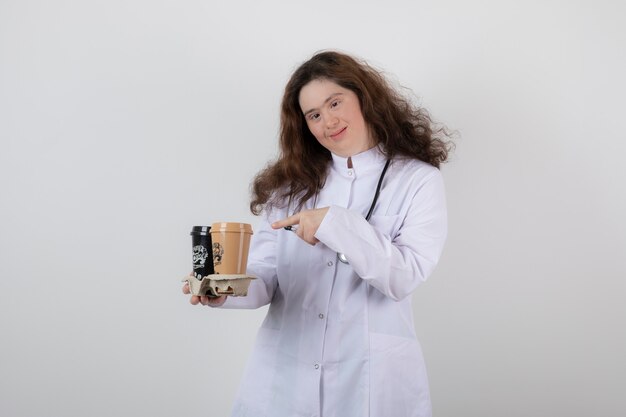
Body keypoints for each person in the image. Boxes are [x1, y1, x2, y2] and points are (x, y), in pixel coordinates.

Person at [183, 50, 454, 417]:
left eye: (335, 102)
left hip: (369, 378)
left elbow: (402, 277)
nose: (328, 121)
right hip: (285, 373)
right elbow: (265, 275)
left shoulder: (417, 180)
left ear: (364, 97)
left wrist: (333, 224)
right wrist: (222, 289)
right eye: (314, 114)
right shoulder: (291, 187)